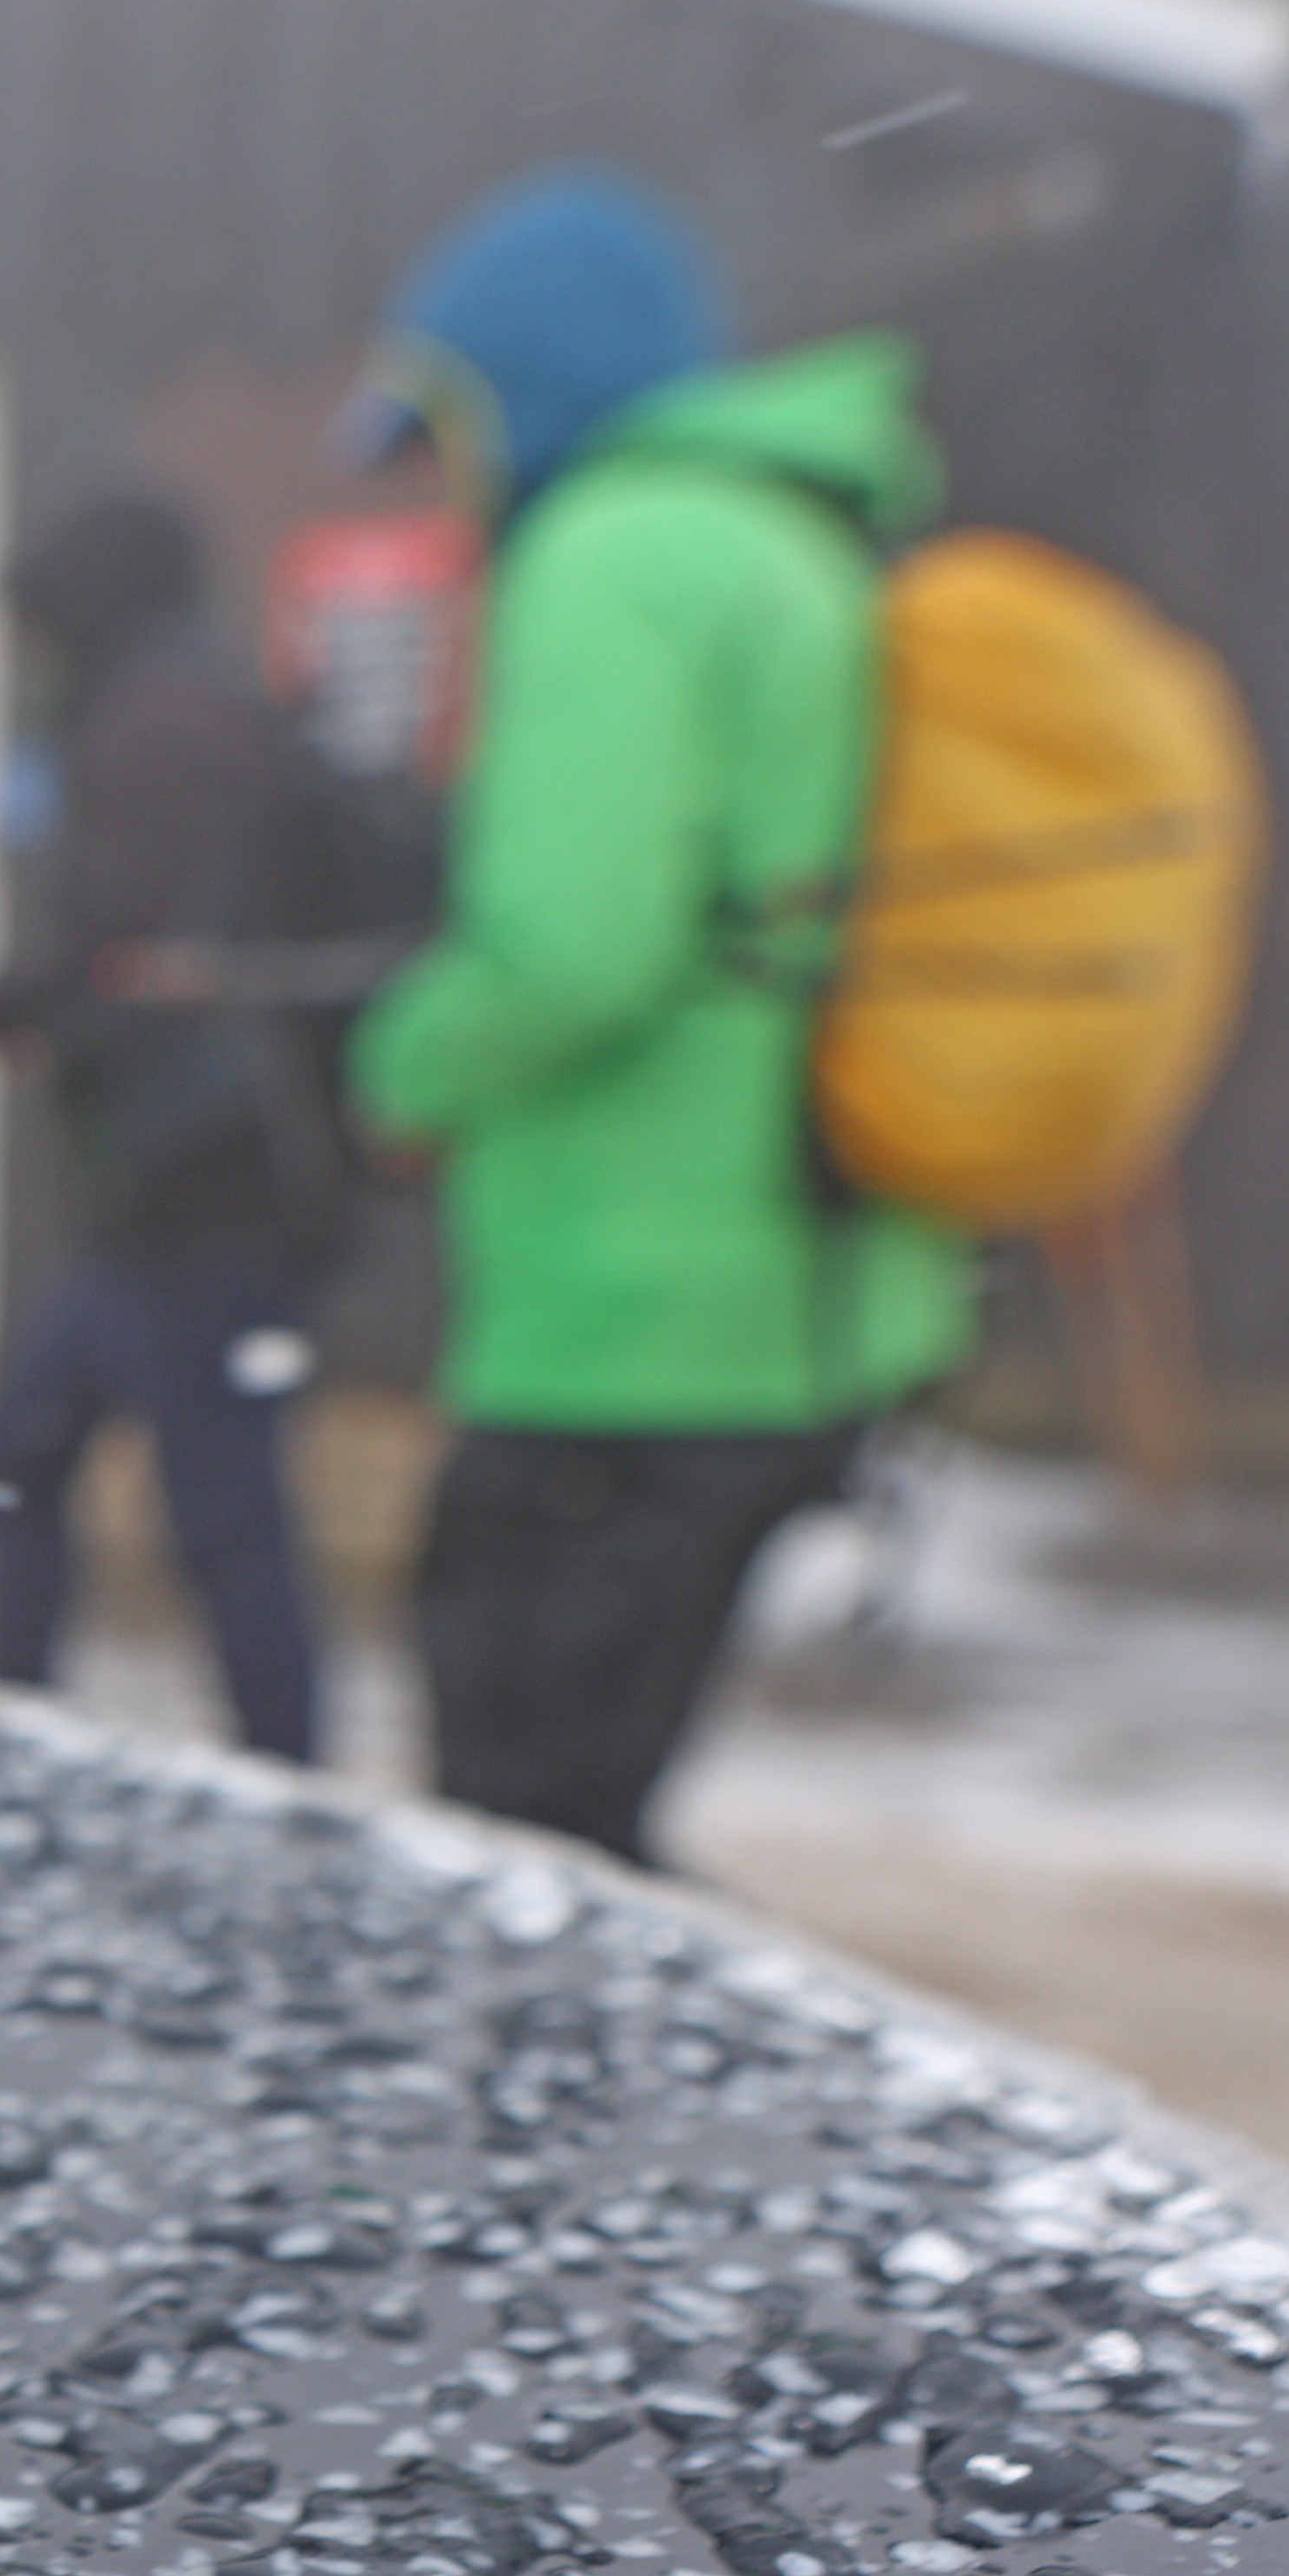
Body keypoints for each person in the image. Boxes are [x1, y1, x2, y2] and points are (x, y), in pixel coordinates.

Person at [333, 166, 975, 1867]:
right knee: (598, 1826)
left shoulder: (612, 554)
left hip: (632, 1317)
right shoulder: (799, 538)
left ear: (528, 391)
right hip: (806, 1289)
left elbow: (576, 947)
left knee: (526, 1856)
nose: (449, 491)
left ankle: (554, 2140)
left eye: (449, 430)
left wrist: (401, 1058)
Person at [0, 489, 356, 1766]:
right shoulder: (196, 704)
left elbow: (119, 972)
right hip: (179, 1194)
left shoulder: (159, 733)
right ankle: (25, 1724)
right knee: (27, 1442)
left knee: (218, 1513)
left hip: (214, 1190)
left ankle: (288, 1785)